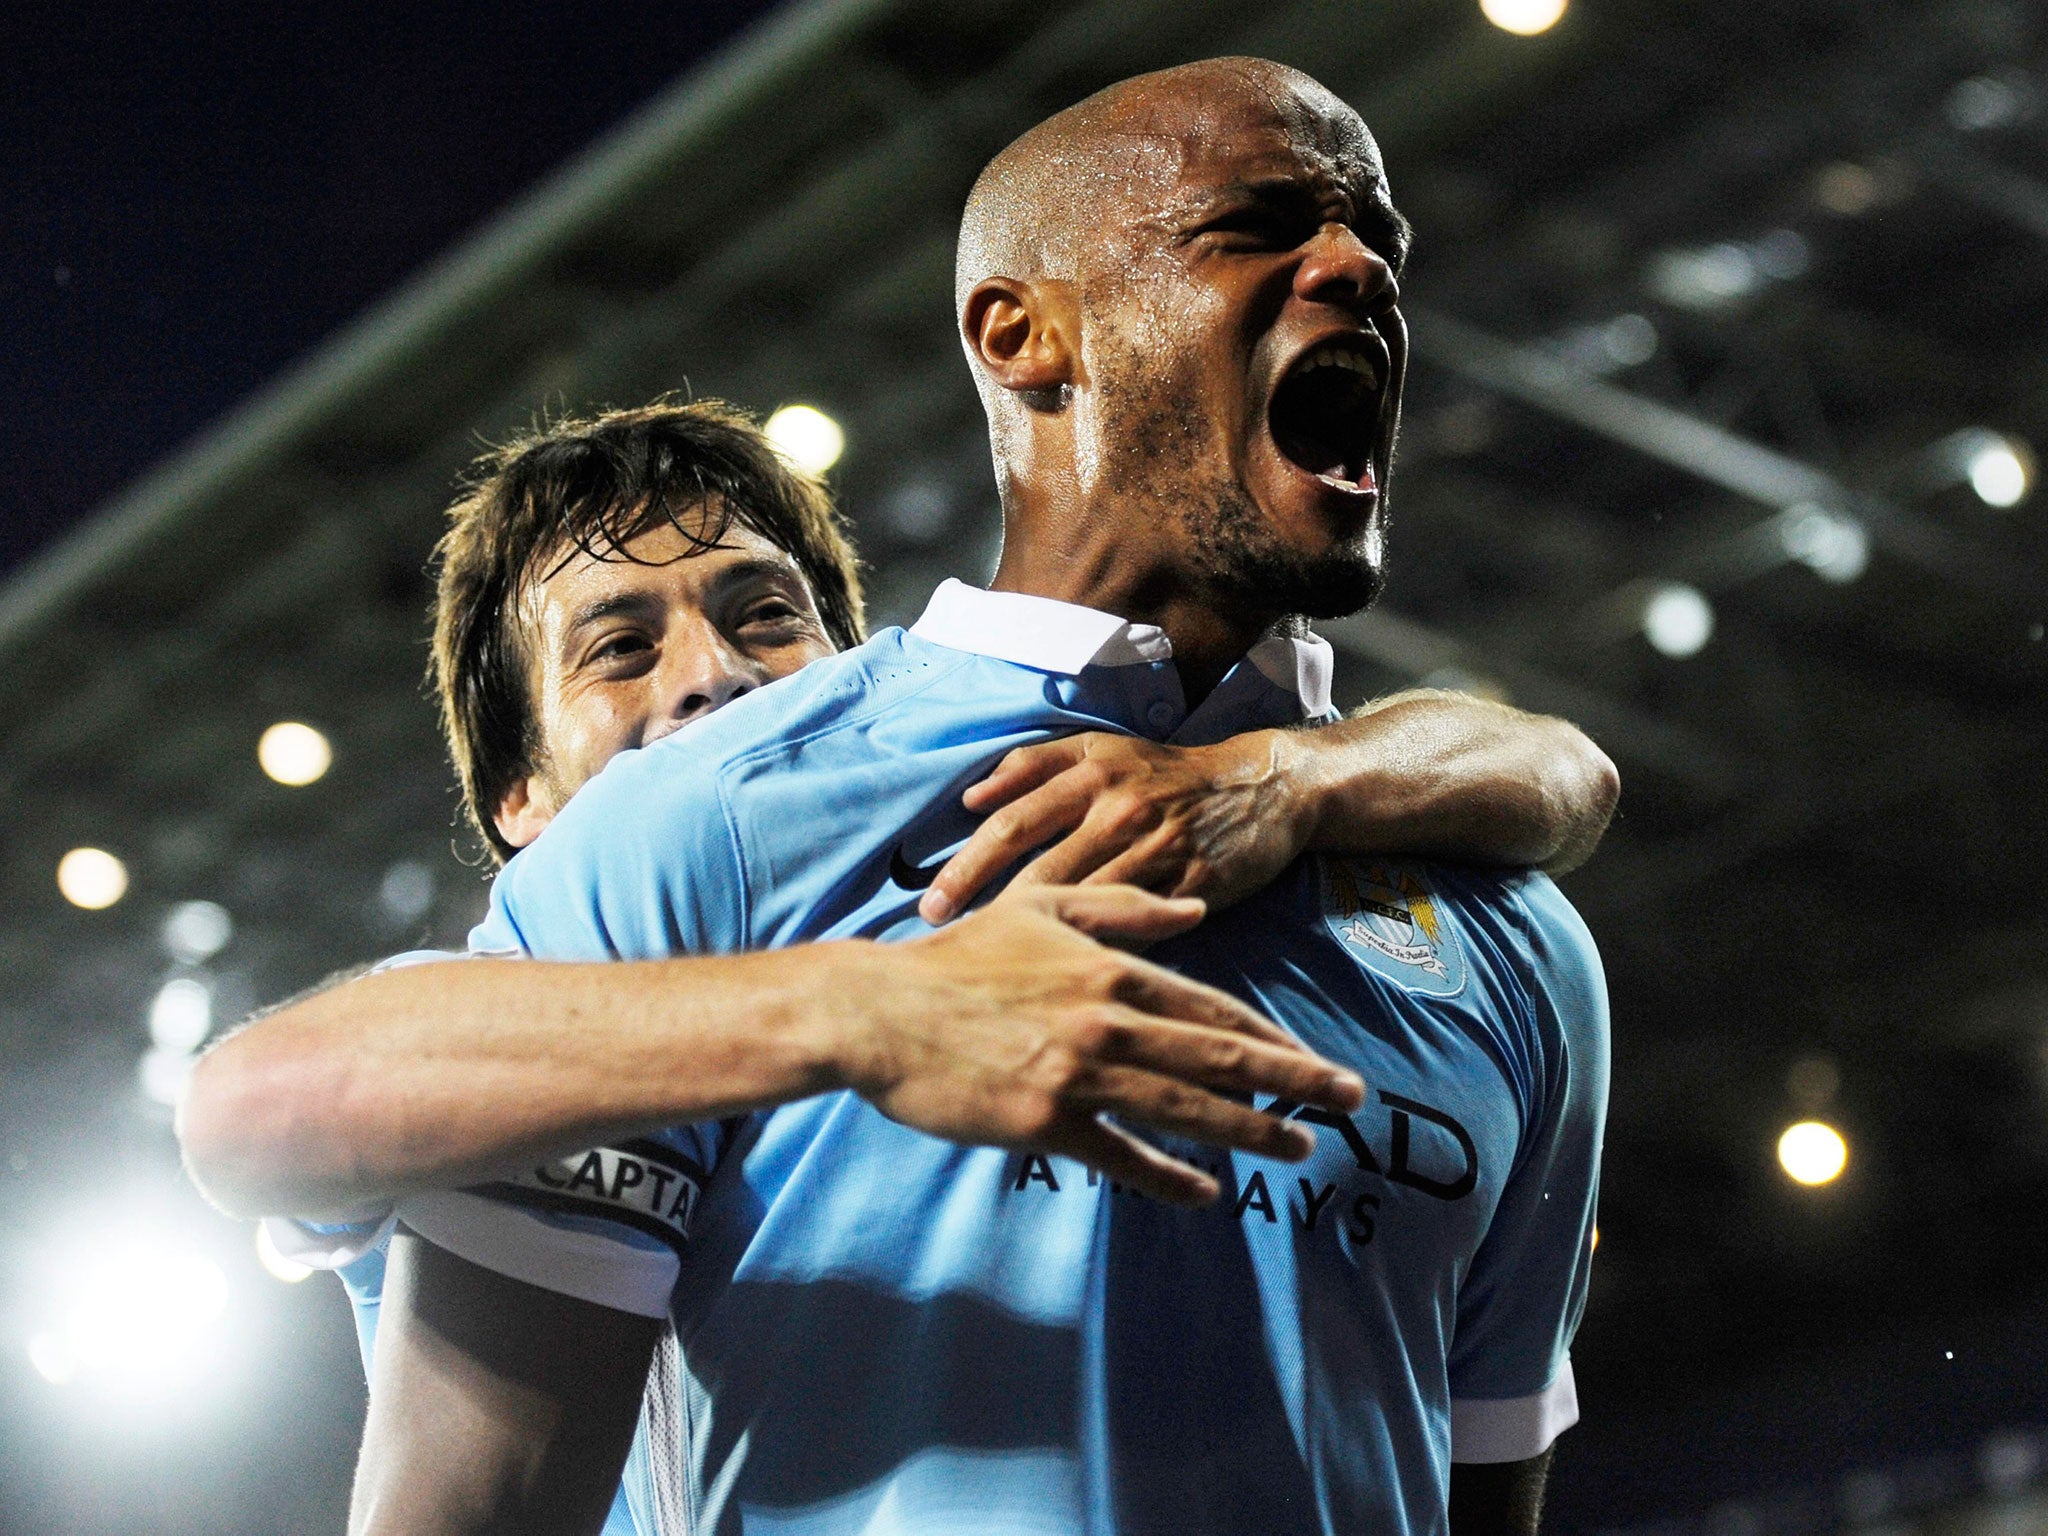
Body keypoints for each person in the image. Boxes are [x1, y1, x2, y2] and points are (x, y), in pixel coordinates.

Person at [213, 55, 1616, 1532]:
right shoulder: (674, 865)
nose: (1355, 270)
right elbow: (257, 1111)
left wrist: (1294, 772)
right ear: (1023, 335)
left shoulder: (1520, 953)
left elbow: (1571, 774)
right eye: (1254, 226)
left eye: (763, 621)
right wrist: (871, 1013)